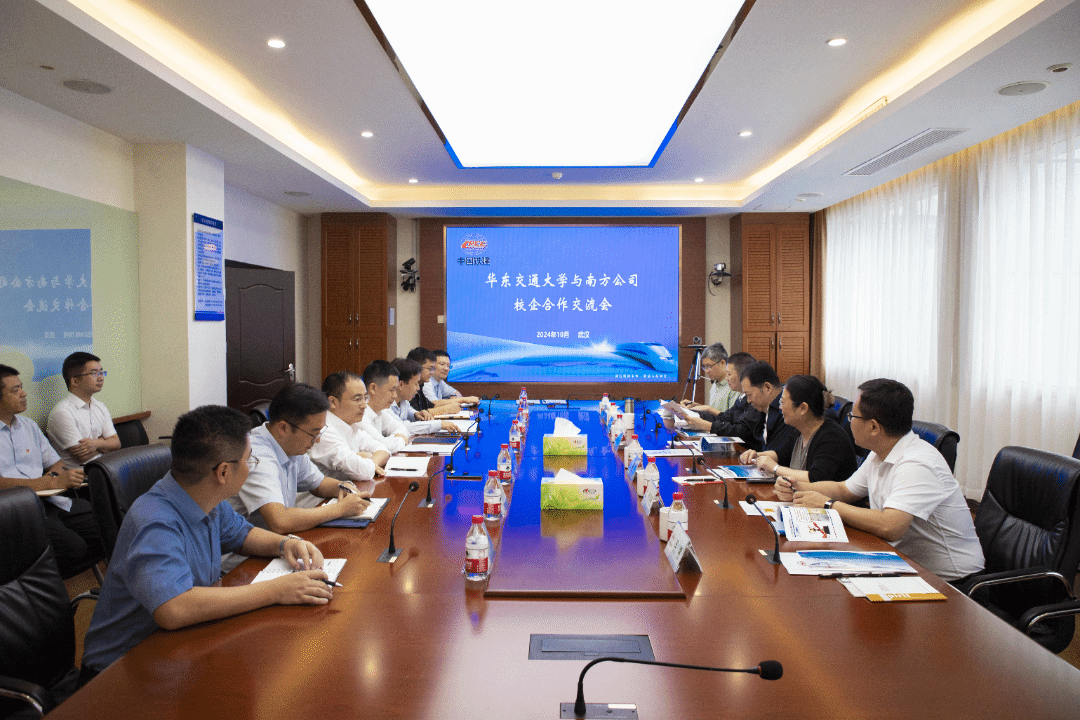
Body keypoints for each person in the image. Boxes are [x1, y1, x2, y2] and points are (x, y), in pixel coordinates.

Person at [80, 405, 333, 680]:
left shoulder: (204, 497)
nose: (251, 466)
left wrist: (286, 544)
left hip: (182, 646)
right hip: (121, 672)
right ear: (223, 472)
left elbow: (243, 535)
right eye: (249, 460)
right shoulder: (155, 521)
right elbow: (174, 608)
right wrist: (276, 591)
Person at [775, 378, 984, 583]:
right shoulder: (879, 453)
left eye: (852, 417)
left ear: (874, 427)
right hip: (901, 563)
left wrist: (828, 505)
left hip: (951, 582)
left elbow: (890, 526)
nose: (849, 422)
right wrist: (797, 486)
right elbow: (844, 489)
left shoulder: (917, 462)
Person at [228, 383, 371, 536]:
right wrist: (341, 509)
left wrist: (344, 487)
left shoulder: (290, 445)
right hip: (245, 549)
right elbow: (279, 521)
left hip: (278, 540)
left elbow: (318, 484)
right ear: (283, 428)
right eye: (313, 433)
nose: (317, 440)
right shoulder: (257, 455)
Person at [0, 363, 102, 576]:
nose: (24, 393)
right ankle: (39, 588)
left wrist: (54, 478)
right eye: (15, 390)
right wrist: (48, 483)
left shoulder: (28, 425)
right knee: (73, 549)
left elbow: (57, 464)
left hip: (50, 501)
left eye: (22, 387)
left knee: (108, 527)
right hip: (15, 513)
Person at [748, 374, 858, 483]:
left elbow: (814, 478)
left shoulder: (831, 437)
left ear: (803, 408)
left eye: (782, 402)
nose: (780, 407)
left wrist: (775, 468)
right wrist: (757, 455)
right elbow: (781, 455)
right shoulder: (800, 429)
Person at [308, 371, 390, 482]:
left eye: (365, 398)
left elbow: (383, 449)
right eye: (357, 399)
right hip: (327, 493)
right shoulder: (324, 430)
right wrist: (364, 460)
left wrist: (370, 461)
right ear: (332, 402)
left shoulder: (351, 425)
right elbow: (362, 472)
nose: (364, 405)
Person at [46, 351, 120, 464]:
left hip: (106, 467)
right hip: (81, 473)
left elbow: (116, 443)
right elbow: (83, 456)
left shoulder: (99, 406)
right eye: (94, 373)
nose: (101, 378)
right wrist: (104, 442)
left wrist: (95, 444)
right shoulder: (62, 412)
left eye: (101, 372)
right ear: (75, 381)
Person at [676, 352, 761, 445]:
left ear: (744, 376)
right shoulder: (742, 397)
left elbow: (740, 430)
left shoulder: (754, 400)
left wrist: (706, 425)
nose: (727, 378)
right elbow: (724, 417)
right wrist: (691, 413)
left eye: (729, 374)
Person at [736, 361, 799, 464]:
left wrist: (759, 455)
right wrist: (757, 455)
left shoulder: (786, 412)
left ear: (767, 388)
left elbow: (783, 454)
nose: (748, 400)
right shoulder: (763, 408)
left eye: (749, 394)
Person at [390, 358, 459, 434]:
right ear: (401, 385)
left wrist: (416, 414)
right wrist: (439, 424)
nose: (418, 388)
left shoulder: (404, 401)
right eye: (415, 384)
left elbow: (408, 410)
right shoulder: (385, 406)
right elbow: (402, 427)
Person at [359, 360, 411, 453]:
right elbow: (383, 446)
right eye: (391, 390)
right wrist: (400, 440)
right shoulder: (360, 415)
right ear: (373, 388)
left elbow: (403, 428)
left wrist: (393, 440)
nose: (395, 395)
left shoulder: (380, 411)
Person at [681, 342, 739, 413]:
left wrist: (707, 408)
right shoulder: (715, 384)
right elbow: (714, 412)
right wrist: (697, 406)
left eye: (709, 366)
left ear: (722, 363)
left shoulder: (734, 387)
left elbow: (731, 417)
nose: (706, 371)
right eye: (704, 367)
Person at [406, 347, 462, 416]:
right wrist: (447, 408)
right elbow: (419, 414)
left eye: (448, 366)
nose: (446, 369)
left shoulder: (422, 384)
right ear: (417, 368)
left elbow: (429, 405)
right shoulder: (417, 385)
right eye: (430, 369)